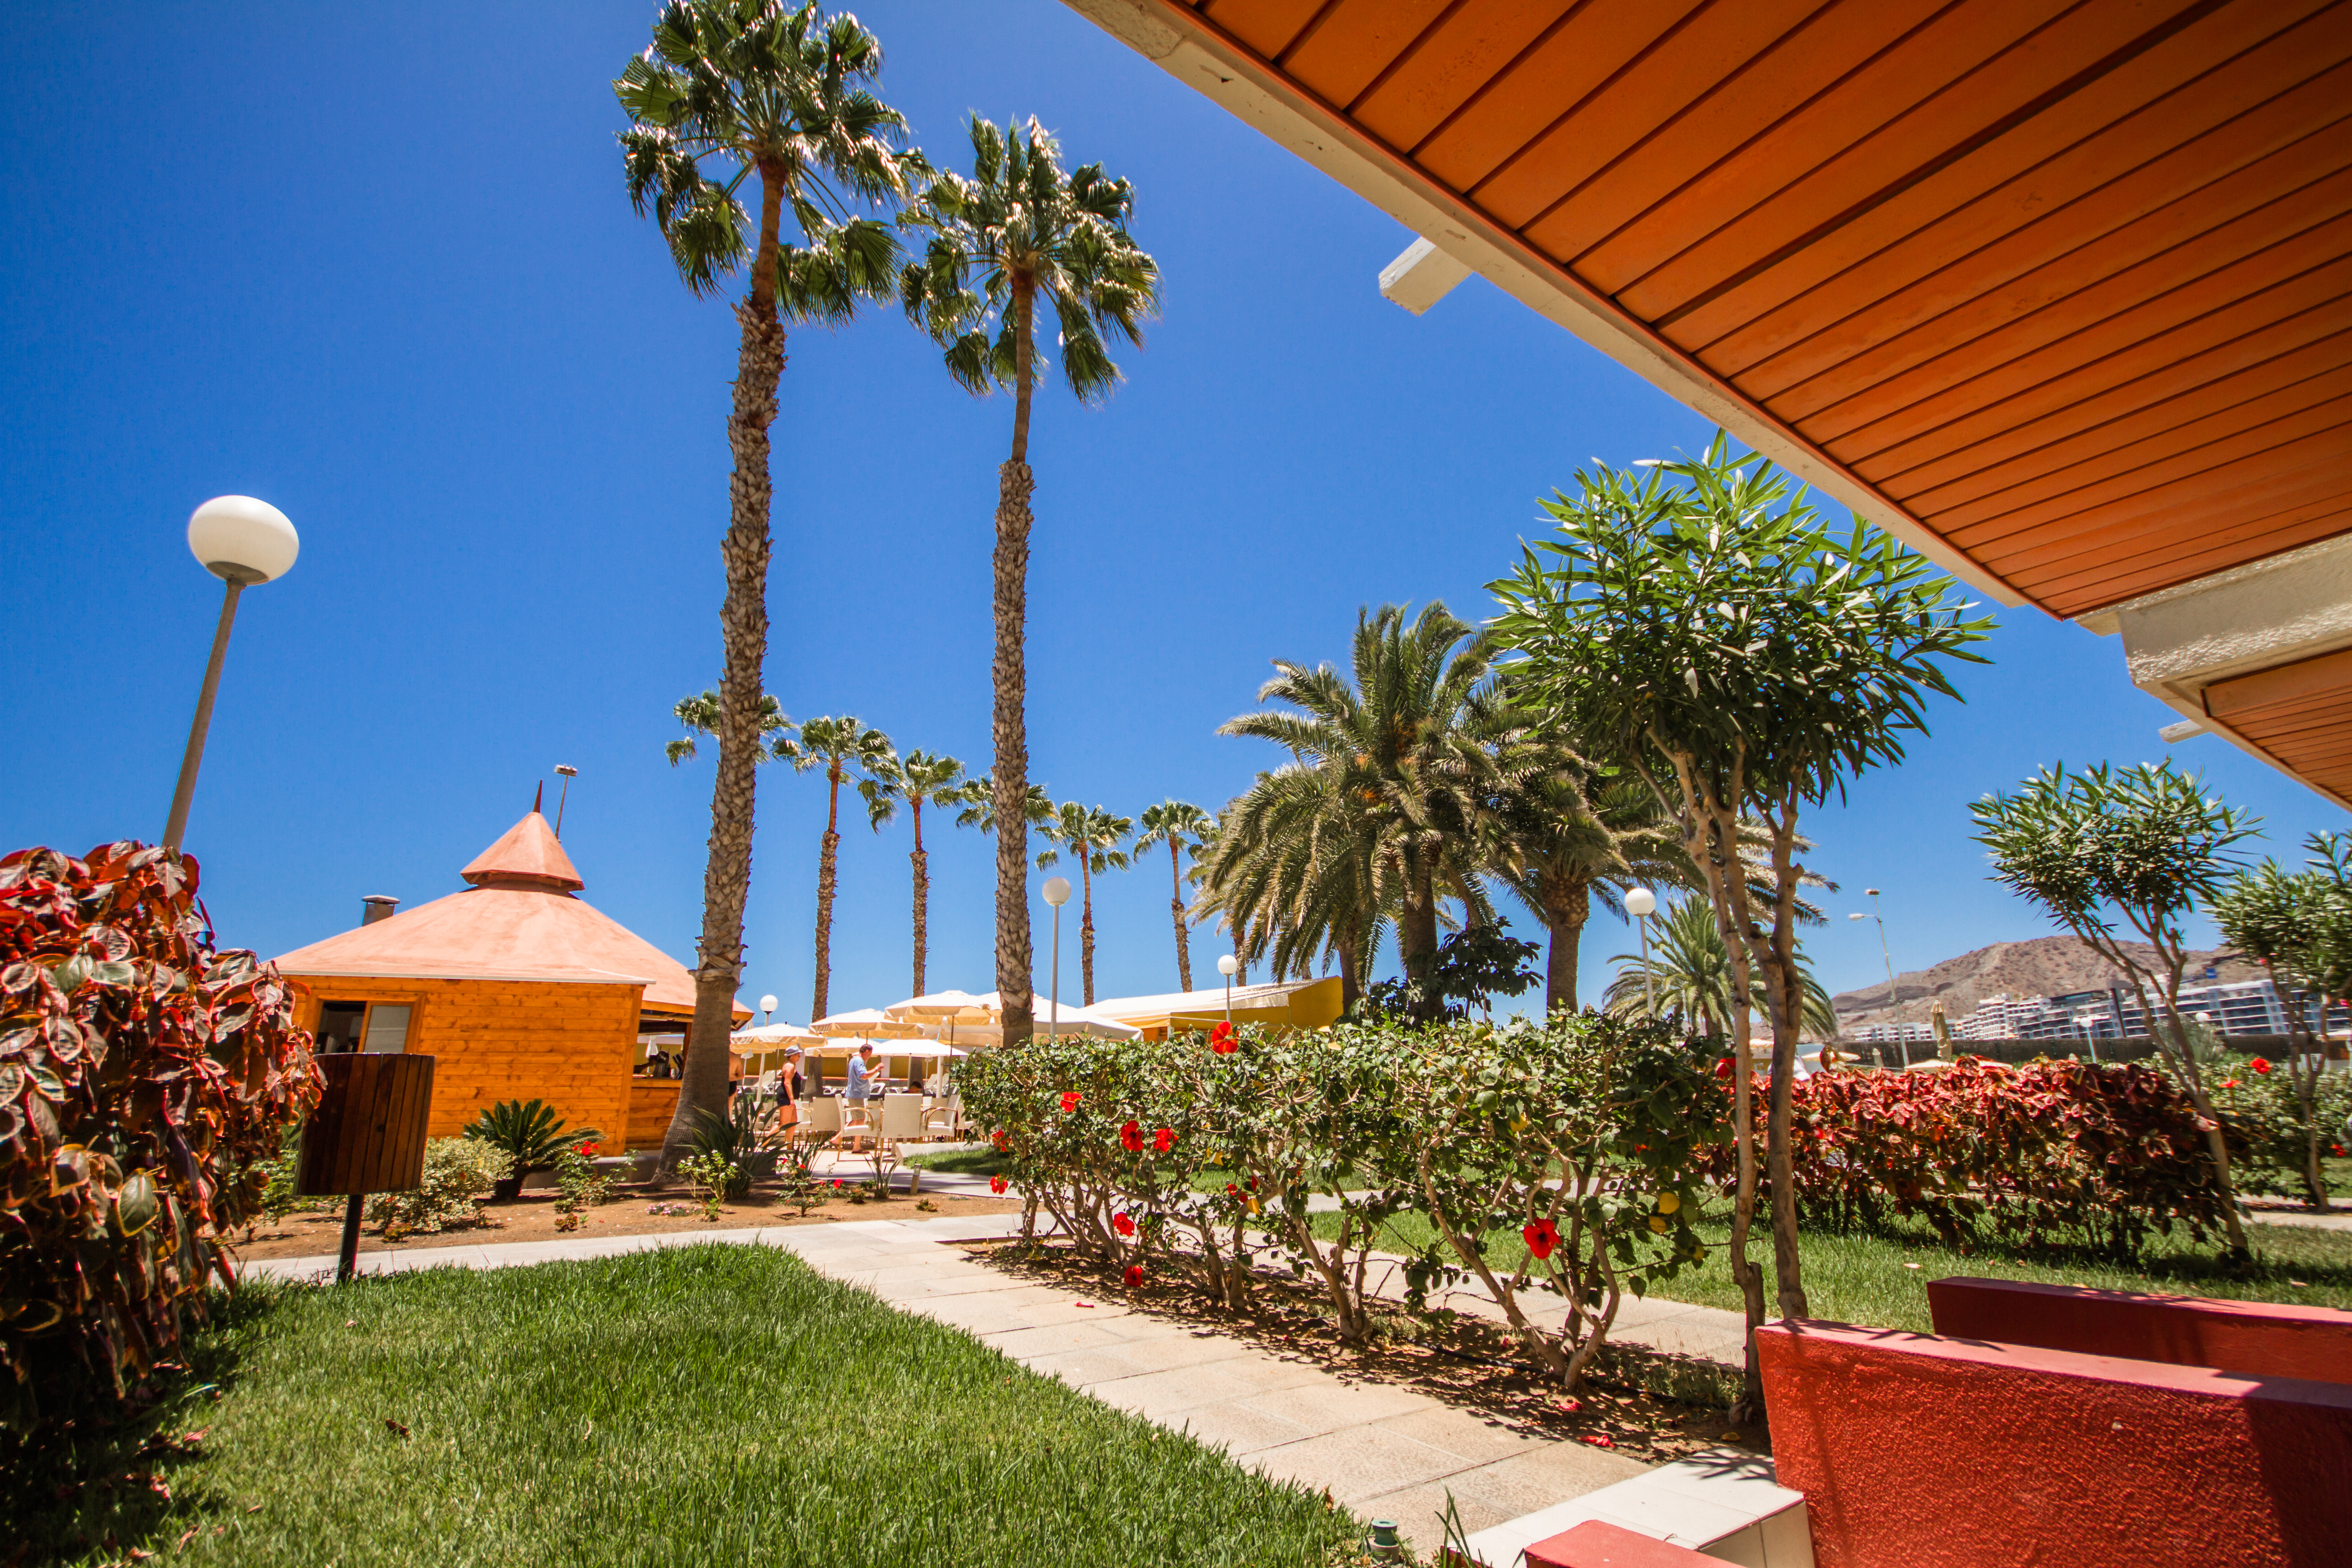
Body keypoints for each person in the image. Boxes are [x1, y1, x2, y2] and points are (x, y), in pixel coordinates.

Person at [844, 1042, 881, 1152]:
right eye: (870, 1055)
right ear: (866, 1052)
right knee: (860, 1119)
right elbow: (864, 1076)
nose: (870, 1057)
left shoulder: (854, 1060)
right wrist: (876, 1069)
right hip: (857, 1093)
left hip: (855, 1093)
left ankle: (842, 1140)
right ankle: (855, 1146)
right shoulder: (859, 1061)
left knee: (858, 1119)